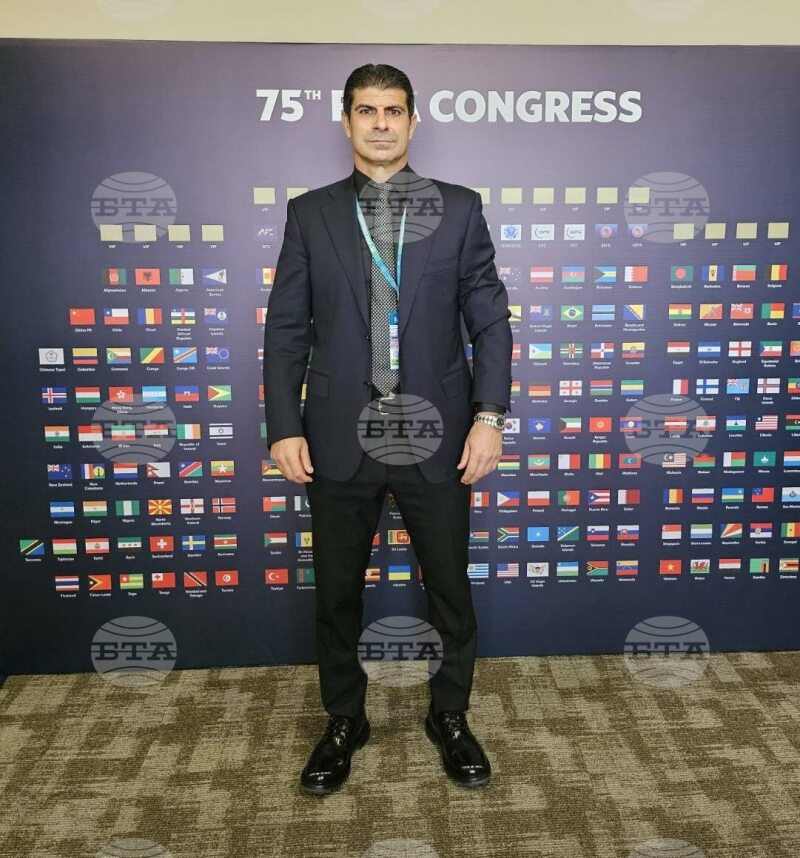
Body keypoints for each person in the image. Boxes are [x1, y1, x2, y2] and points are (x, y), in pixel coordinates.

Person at [263, 63, 512, 796]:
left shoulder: (459, 209)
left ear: (411, 121)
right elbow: (286, 331)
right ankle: (345, 720)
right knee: (337, 593)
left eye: (393, 110)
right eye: (366, 110)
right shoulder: (310, 214)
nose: (380, 123)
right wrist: (284, 426)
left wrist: (488, 418)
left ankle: (450, 715)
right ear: (346, 121)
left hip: (439, 436)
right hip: (338, 435)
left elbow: (491, 322)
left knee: (450, 590)